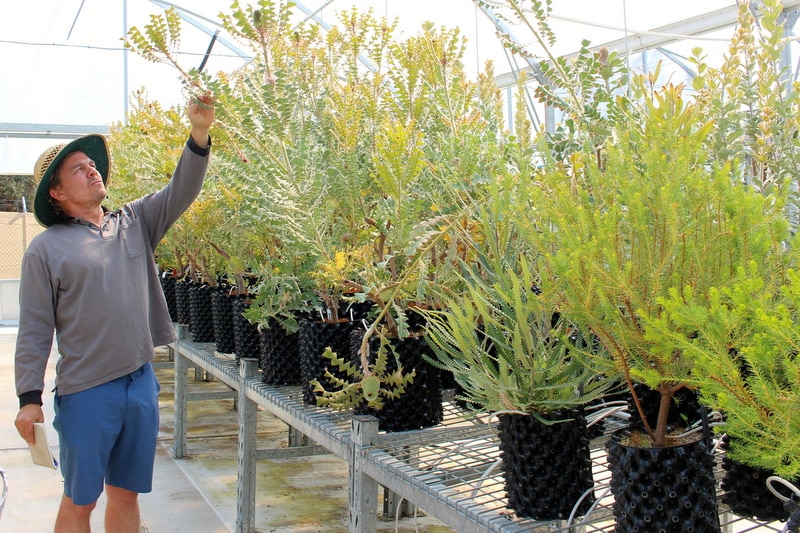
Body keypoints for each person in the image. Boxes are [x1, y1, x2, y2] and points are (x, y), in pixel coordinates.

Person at [14, 93, 215, 533]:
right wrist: (29, 399)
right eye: (78, 169)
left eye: (92, 165)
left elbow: (182, 189)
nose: (92, 171)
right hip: (87, 391)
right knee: (81, 499)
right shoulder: (45, 251)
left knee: (126, 494)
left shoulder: (135, 222)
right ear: (57, 192)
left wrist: (198, 134)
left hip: (139, 382)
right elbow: (33, 329)